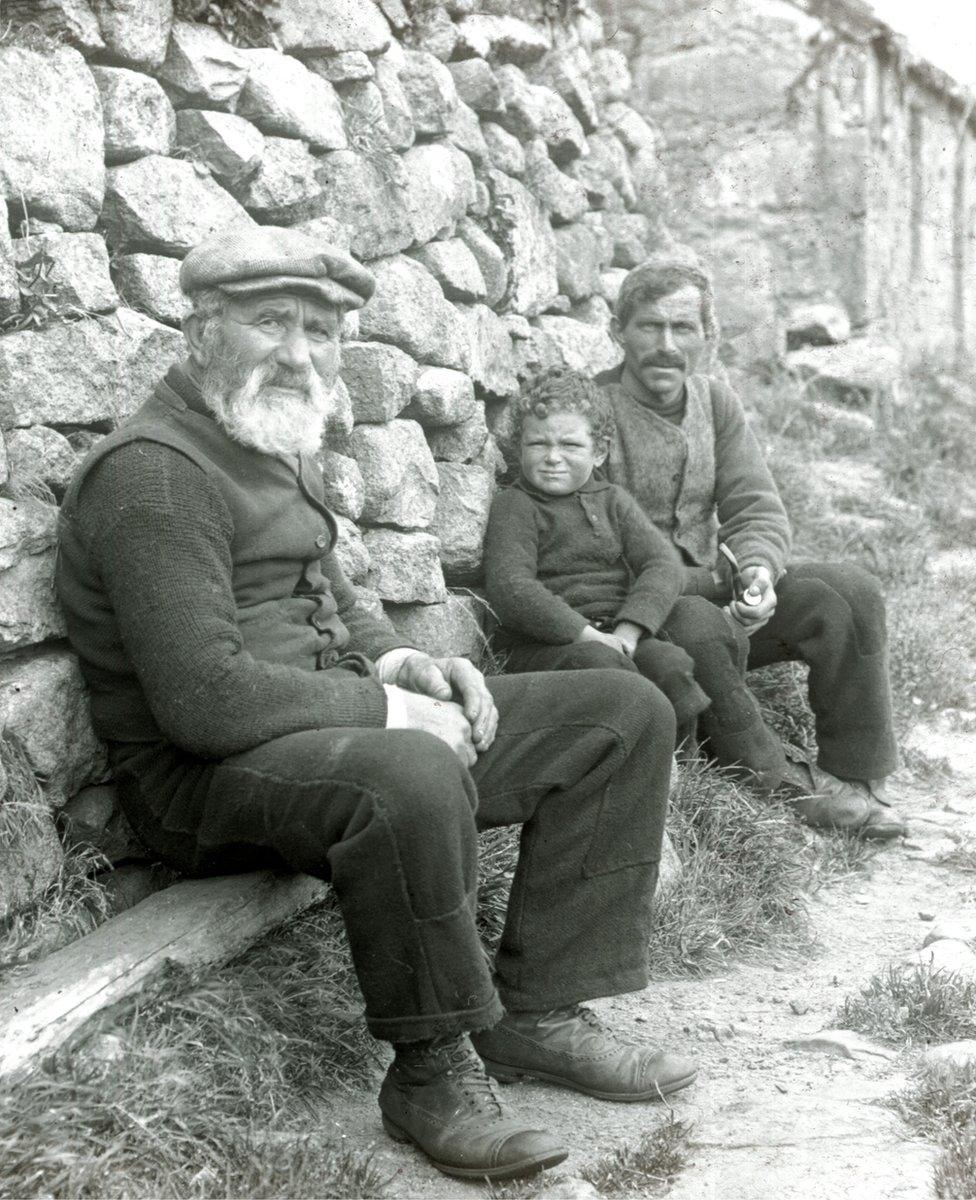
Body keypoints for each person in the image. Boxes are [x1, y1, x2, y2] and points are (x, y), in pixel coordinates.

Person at [55, 227, 697, 1183]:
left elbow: (334, 598)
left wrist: (407, 661)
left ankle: (540, 1015)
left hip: (319, 733)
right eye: (271, 322)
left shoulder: (259, 434)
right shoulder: (155, 474)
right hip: (207, 783)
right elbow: (202, 702)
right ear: (199, 330)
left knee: (622, 710)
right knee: (412, 767)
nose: (300, 352)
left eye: (319, 330)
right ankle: (432, 1072)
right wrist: (391, 712)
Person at [596, 253, 906, 841]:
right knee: (696, 626)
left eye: (683, 328)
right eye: (649, 326)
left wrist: (758, 572)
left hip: (715, 601)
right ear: (618, 331)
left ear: (708, 337)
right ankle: (781, 781)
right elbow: (598, 554)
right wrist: (716, 584)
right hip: (636, 619)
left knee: (846, 593)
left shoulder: (714, 403)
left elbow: (754, 504)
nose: (667, 345)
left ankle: (856, 778)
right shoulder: (593, 411)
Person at [483, 366, 709, 745]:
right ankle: (625, 753)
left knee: (671, 664)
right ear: (520, 446)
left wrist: (628, 631)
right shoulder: (515, 506)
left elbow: (663, 564)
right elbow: (513, 587)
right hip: (546, 645)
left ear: (599, 451)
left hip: (615, 633)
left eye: (570, 446)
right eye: (538, 444)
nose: (552, 457)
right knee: (605, 668)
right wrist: (586, 635)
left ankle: (676, 763)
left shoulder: (613, 501)